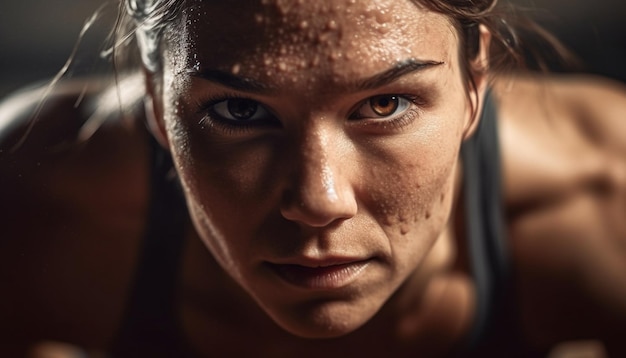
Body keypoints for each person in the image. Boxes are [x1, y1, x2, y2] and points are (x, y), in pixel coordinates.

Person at [1, 0, 625, 357]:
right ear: (156, 100)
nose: (318, 201)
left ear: (473, 83)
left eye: (384, 106)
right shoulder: (34, 205)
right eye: (239, 111)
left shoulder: (604, 188)